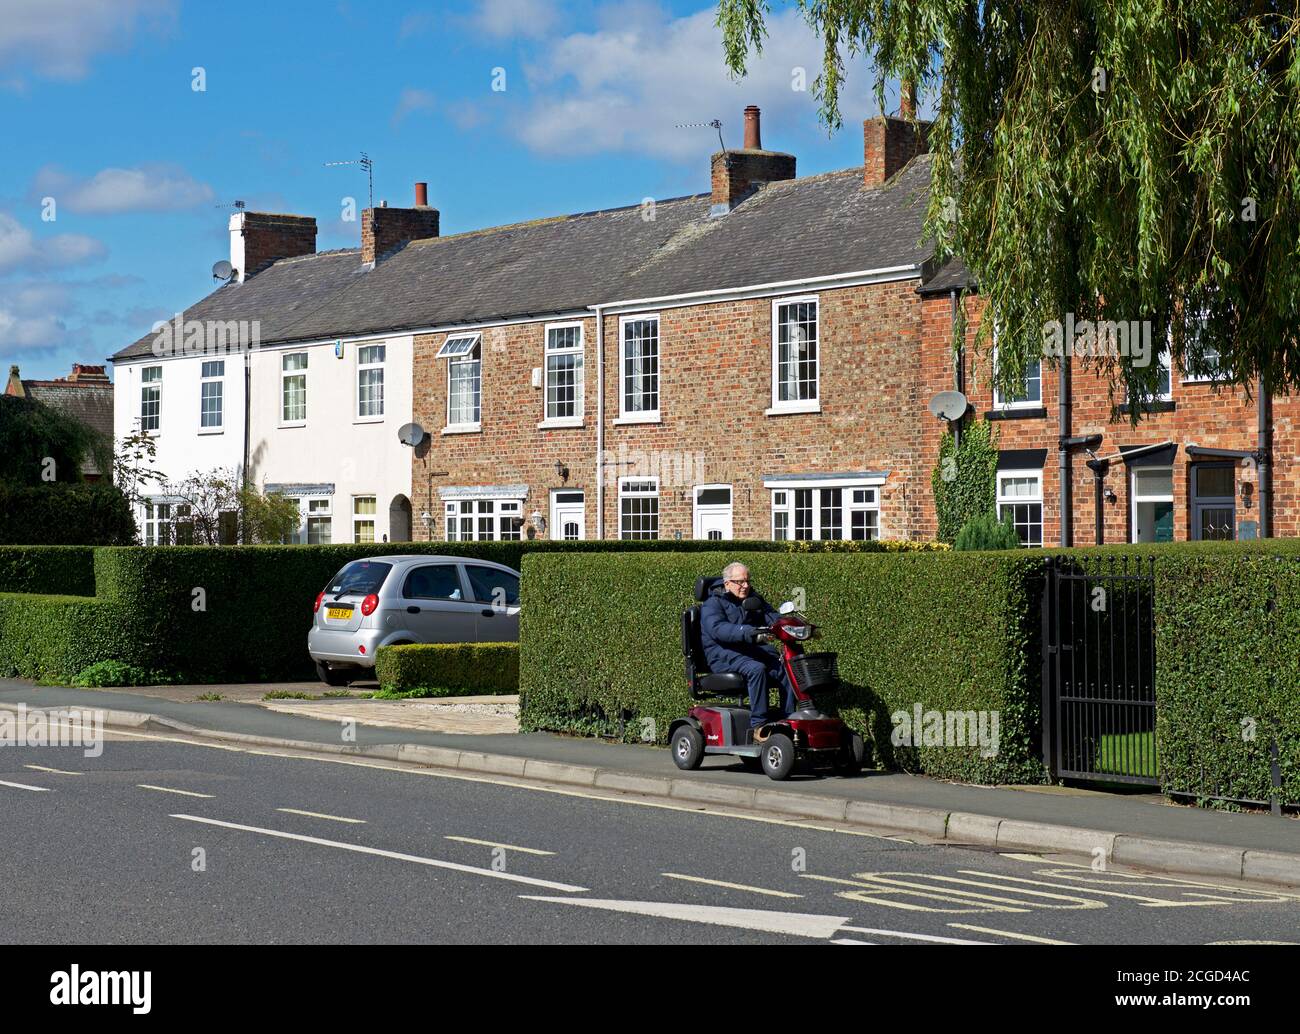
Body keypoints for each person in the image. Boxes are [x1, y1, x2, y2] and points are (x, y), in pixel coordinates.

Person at [699, 561, 796, 738]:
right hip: (722, 655)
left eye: (748, 581)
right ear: (727, 583)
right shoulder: (712, 604)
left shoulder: (752, 599)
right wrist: (748, 632)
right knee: (756, 669)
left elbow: (772, 616)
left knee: (786, 668)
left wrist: (791, 626)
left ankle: (787, 718)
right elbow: (718, 629)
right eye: (740, 582)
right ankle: (759, 726)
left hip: (747, 652)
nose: (745, 586)